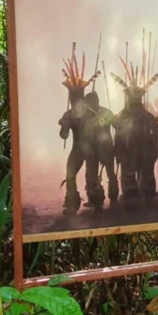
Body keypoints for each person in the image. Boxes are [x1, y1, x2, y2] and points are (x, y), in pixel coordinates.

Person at [111, 60, 158, 200]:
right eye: (132, 105)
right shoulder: (123, 116)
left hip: (145, 149)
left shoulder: (148, 116)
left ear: (140, 104)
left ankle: (149, 192)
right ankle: (130, 192)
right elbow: (118, 131)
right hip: (130, 149)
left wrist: (149, 138)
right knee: (130, 173)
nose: (134, 108)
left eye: (136, 105)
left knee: (147, 172)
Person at [59, 44, 99, 214]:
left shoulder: (91, 113)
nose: (75, 100)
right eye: (73, 97)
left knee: (91, 176)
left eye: (77, 97)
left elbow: (98, 133)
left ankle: (95, 198)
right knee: (70, 174)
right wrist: (64, 127)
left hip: (90, 148)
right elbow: (64, 136)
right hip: (77, 148)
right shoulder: (68, 115)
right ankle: (72, 203)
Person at [82, 91, 118, 207]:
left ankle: (113, 196)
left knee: (110, 172)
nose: (89, 105)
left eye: (90, 102)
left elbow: (116, 126)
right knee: (92, 173)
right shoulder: (85, 115)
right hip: (92, 148)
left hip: (106, 147)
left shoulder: (106, 113)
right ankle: (94, 198)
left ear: (96, 101)